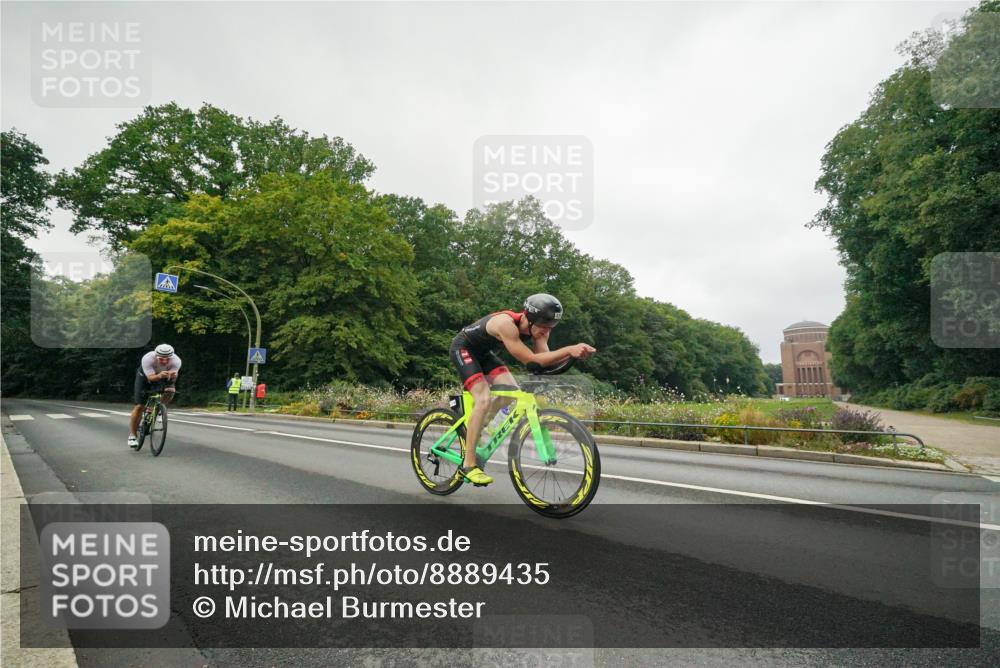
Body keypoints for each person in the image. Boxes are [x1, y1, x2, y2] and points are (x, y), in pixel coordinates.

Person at [450, 293, 596, 485]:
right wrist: (569, 350)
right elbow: (531, 360)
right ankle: (468, 466)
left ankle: (475, 427)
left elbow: (544, 361)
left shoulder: (541, 328)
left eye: (550, 326)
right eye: (543, 326)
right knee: (483, 398)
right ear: (530, 319)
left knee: (511, 392)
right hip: (464, 348)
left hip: (484, 353)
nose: (546, 331)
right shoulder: (505, 324)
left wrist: (574, 356)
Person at [128, 344, 181, 447]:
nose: (164, 362)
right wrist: (160, 375)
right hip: (145, 377)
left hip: (162, 376)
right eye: (161, 359)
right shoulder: (148, 358)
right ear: (156, 356)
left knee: (170, 390)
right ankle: (132, 436)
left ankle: (158, 410)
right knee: (140, 406)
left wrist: (173, 377)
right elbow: (151, 378)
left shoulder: (176, 361)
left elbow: (173, 379)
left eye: (167, 359)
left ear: (172, 357)